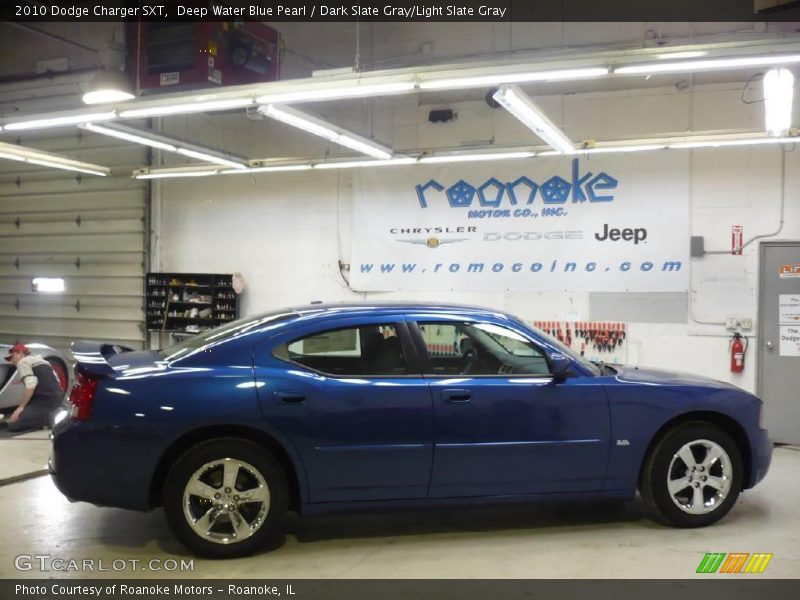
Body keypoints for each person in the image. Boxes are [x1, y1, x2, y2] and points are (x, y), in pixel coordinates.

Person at [0, 344, 63, 432]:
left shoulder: (22, 362)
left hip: (43, 401)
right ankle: (52, 413)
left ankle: (47, 419)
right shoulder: (42, 361)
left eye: (12, 357)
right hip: (57, 398)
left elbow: (30, 386)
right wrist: (22, 380)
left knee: (15, 424)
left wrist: (20, 408)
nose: (11, 361)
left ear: (20, 353)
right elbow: (45, 378)